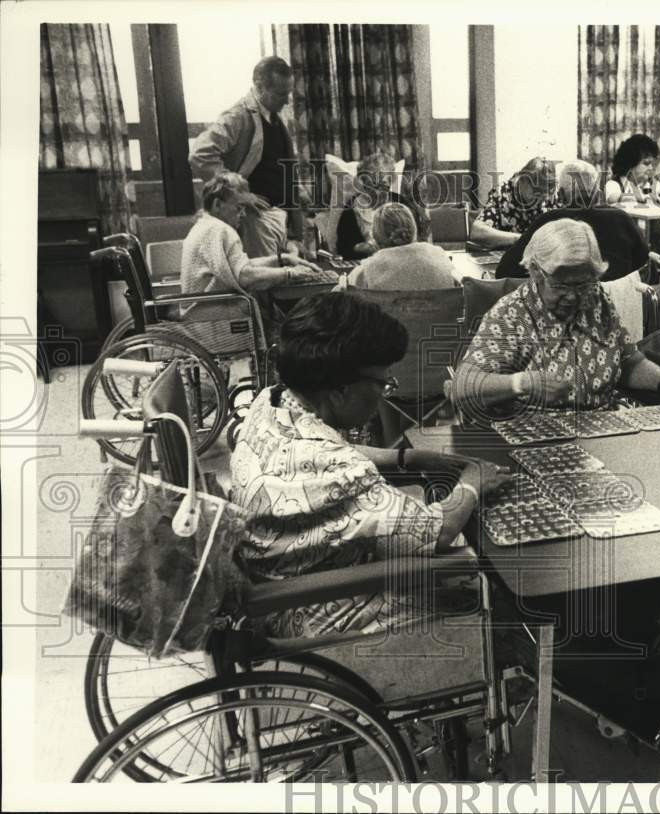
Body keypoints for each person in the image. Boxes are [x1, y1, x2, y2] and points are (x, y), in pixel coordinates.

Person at [229, 292, 511, 638]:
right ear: (340, 392)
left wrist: (408, 458)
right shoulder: (335, 466)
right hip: (309, 608)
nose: (384, 395)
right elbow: (437, 531)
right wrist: (474, 479)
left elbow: (328, 454)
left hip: (277, 579)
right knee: (482, 582)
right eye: (382, 383)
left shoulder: (270, 403)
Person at [452, 218, 660, 418]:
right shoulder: (512, 314)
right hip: (535, 437)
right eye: (562, 287)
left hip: (600, 432)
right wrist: (521, 383)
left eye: (583, 284)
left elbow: (628, 360)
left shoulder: (596, 298)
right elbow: (462, 387)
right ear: (535, 272)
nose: (574, 297)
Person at [189, 57, 307, 260]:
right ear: (260, 87)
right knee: (265, 284)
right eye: (281, 94)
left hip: (280, 220)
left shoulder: (275, 116)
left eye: (288, 93)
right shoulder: (237, 117)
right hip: (255, 222)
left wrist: (298, 191)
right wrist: (238, 193)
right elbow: (200, 155)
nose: (287, 101)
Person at [180, 172, 318, 344]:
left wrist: (281, 259)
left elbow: (240, 267)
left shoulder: (206, 225)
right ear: (217, 204)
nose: (243, 214)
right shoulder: (220, 230)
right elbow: (246, 277)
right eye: (238, 208)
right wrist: (289, 273)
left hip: (203, 315)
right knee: (293, 330)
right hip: (214, 323)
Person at [495, 160, 655, 282]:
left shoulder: (549, 221)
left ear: (562, 194)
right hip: (618, 311)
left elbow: (504, 271)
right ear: (597, 192)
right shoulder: (622, 218)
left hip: (564, 313)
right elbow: (649, 271)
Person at [345, 202, 457, 290]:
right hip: (440, 319)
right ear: (414, 229)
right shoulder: (441, 258)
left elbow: (339, 298)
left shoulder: (367, 270)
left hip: (386, 319)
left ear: (376, 236)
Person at [468, 157, 562, 249]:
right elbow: (476, 232)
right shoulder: (502, 193)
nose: (540, 199)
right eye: (536, 191)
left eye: (544, 194)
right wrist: (519, 239)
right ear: (522, 180)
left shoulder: (550, 196)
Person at [335, 152, 409, 260]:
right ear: (363, 183)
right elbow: (343, 248)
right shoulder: (351, 209)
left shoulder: (401, 203)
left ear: (390, 182)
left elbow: (413, 239)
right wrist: (361, 248)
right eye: (372, 186)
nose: (378, 193)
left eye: (383, 186)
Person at [604, 133, 660, 206]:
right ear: (630, 164)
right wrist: (640, 197)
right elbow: (612, 198)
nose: (651, 168)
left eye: (652, 164)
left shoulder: (655, 185)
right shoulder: (614, 184)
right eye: (646, 163)